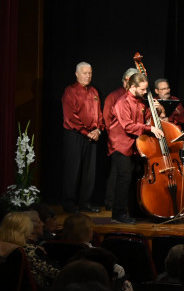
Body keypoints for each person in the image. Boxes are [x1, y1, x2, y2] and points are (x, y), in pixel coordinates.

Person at [107, 73, 166, 224]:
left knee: (134, 179)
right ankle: (118, 214)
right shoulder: (122, 102)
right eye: (143, 89)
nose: (146, 92)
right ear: (132, 87)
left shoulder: (140, 101)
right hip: (120, 144)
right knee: (124, 178)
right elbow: (128, 126)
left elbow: (146, 117)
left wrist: (156, 110)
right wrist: (151, 129)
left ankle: (133, 211)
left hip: (134, 145)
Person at [62, 61, 104, 214]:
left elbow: (99, 114)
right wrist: (88, 133)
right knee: (73, 170)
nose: (88, 76)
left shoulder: (94, 91)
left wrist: (98, 130)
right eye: (85, 73)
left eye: (90, 73)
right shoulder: (70, 91)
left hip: (93, 135)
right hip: (75, 135)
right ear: (77, 74)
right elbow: (70, 118)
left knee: (89, 171)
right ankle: (69, 203)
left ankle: (85, 202)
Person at [102, 67, 137, 211]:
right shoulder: (115, 96)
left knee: (126, 173)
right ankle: (111, 203)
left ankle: (124, 203)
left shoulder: (136, 97)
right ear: (125, 81)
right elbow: (107, 119)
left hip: (132, 139)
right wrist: (115, 136)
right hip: (119, 140)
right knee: (117, 172)